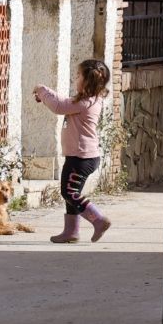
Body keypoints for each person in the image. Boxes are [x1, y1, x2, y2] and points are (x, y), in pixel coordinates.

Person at [33, 58, 112, 243]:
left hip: (81, 157)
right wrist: (47, 94)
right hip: (81, 156)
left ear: (87, 81)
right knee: (71, 192)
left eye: (78, 76)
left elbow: (59, 106)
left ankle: (98, 220)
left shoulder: (85, 103)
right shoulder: (89, 100)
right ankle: (71, 232)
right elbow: (62, 101)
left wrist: (41, 90)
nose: (75, 79)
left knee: (69, 193)